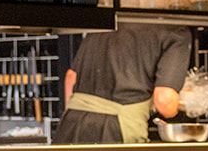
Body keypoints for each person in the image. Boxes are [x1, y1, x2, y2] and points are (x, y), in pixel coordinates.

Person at [54, 24, 190, 144]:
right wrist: (186, 103)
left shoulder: (106, 19)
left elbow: (71, 78)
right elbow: (165, 101)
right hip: (117, 129)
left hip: (70, 124)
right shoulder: (175, 30)